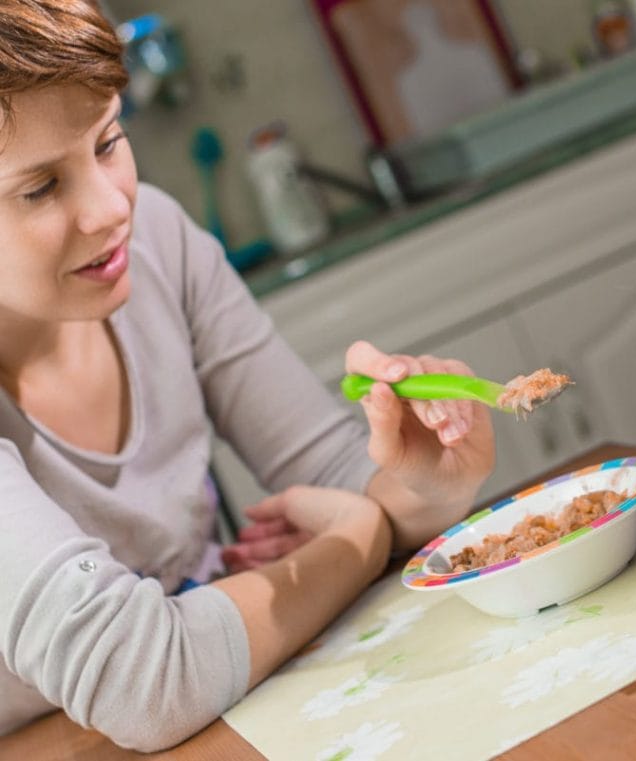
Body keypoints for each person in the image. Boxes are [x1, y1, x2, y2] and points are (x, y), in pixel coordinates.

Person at [0, 0, 494, 750]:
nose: (110, 209)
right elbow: (145, 683)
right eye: (39, 188)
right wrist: (357, 536)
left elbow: (346, 480)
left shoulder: (157, 241)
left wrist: (423, 481)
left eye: (109, 143)